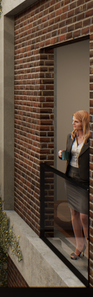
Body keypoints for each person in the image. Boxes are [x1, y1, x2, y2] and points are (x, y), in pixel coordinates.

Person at [58, 110, 91, 260]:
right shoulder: (70, 137)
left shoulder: (90, 139)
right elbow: (69, 155)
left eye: (76, 121)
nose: (73, 123)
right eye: (73, 121)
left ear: (83, 122)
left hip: (84, 179)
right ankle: (79, 246)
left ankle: (89, 247)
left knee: (85, 216)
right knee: (74, 213)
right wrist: (62, 153)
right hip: (70, 177)